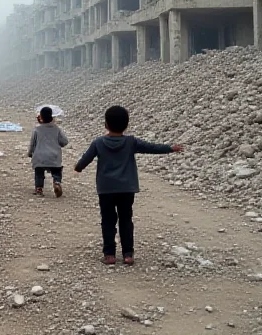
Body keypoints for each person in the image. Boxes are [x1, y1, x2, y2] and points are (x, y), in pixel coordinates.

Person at [74, 105, 184, 266]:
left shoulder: (98, 142)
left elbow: (86, 158)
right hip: (127, 188)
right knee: (126, 219)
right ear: (126, 125)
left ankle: (109, 254)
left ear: (106, 124)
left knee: (108, 220)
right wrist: (170, 148)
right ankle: (128, 254)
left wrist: (77, 168)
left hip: (106, 189)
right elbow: (151, 147)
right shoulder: (131, 142)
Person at [27, 106, 69, 197]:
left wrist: (30, 153)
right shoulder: (57, 129)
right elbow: (64, 142)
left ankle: (39, 189)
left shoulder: (37, 130)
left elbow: (32, 143)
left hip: (40, 156)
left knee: (39, 172)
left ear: (41, 117)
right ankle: (57, 182)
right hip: (54, 157)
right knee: (57, 171)